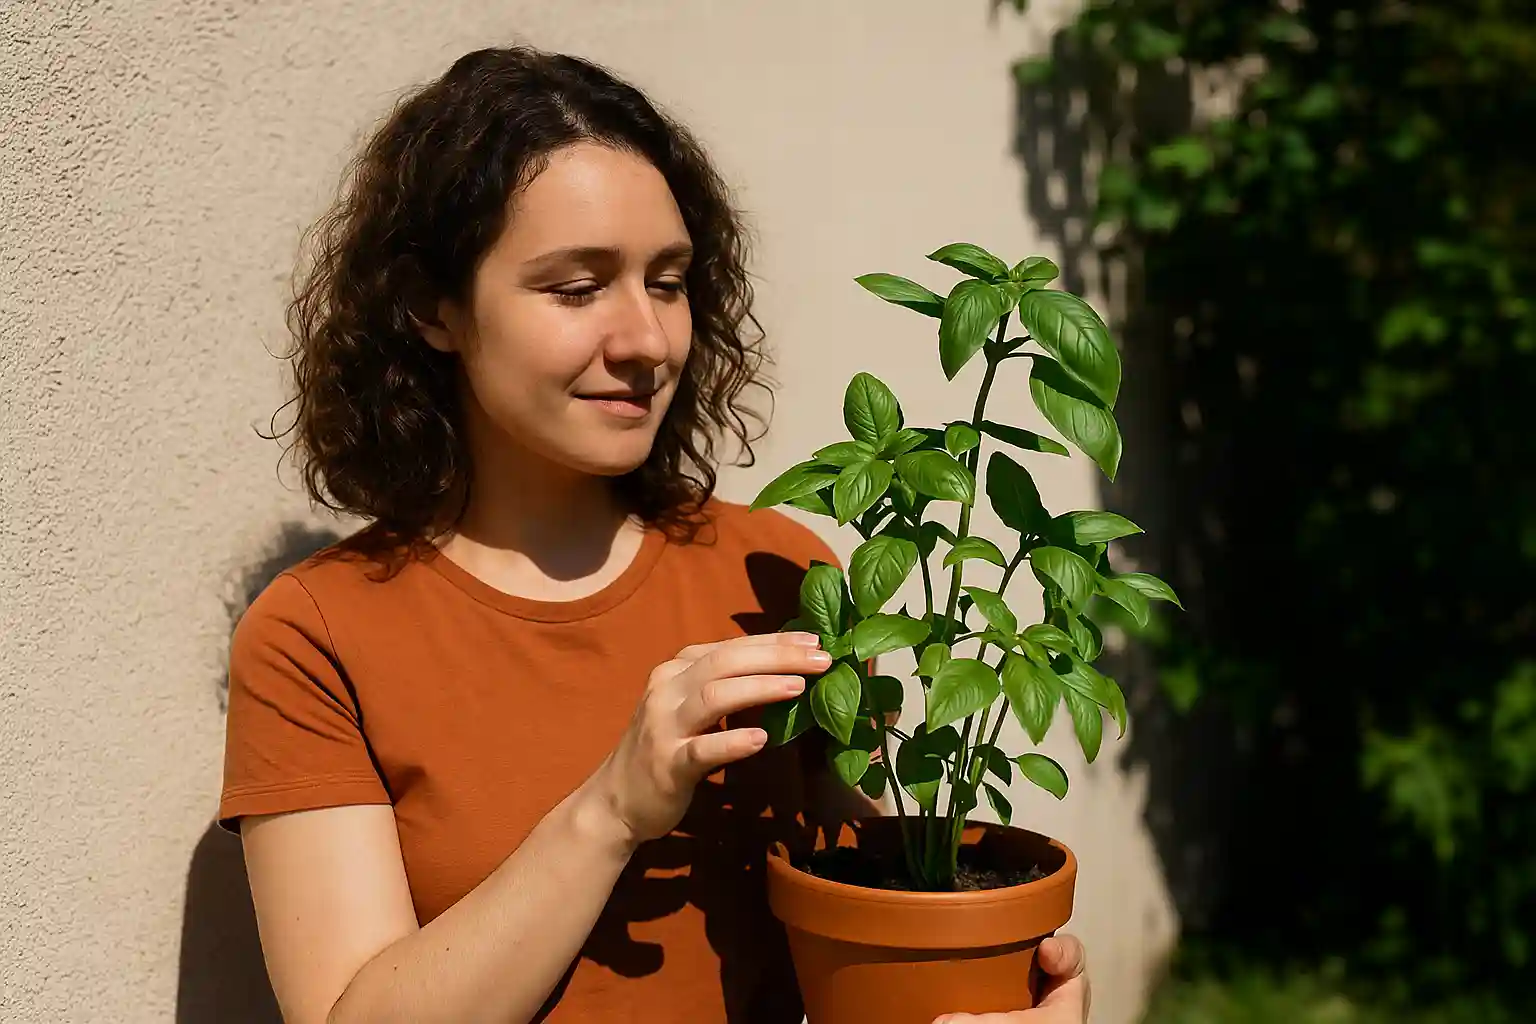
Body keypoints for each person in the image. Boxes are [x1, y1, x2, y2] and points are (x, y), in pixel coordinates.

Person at [222, 45, 1090, 1024]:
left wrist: (990, 996)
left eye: (667, 281)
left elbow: (859, 945)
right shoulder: (317, 636)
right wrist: (611, 808)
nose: (645, 339)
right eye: (577, 286)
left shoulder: (778, 572)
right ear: (433, 307)